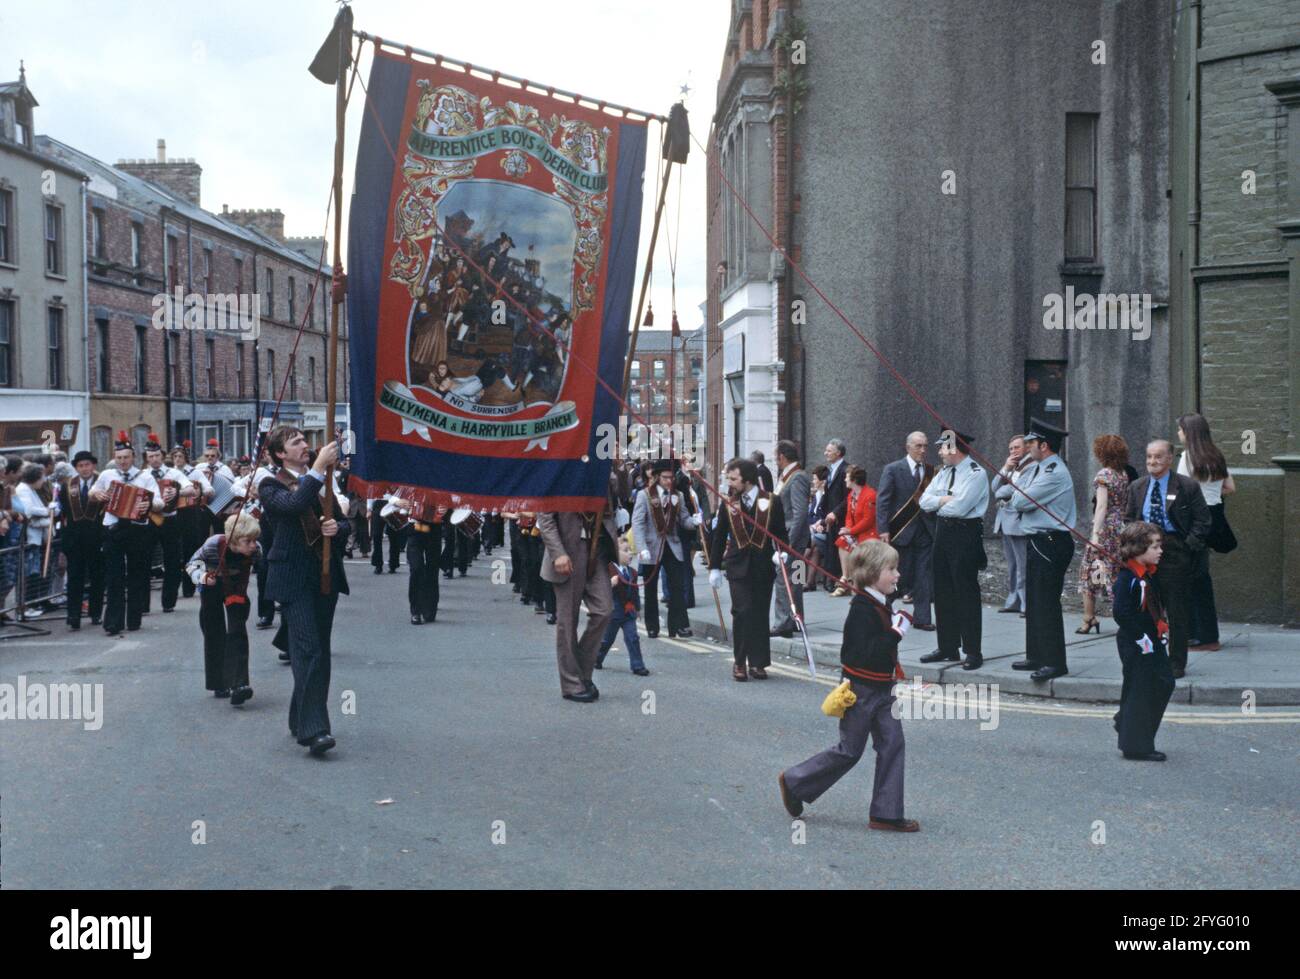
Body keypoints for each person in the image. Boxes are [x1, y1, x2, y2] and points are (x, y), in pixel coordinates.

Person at [778, 540, 919, 833]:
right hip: (861, 691)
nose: (897, 575)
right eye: (891, 569)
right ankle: (795, 781)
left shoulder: (880, 602)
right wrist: (895, 633)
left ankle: (886, 813)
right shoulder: (861, 609)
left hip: (883, 689)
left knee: (893, 744)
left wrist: (893, 626)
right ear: (871, 573)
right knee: (849, 751)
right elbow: (858, 654)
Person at [259, 428, 349, 756]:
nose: (304, 445)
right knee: (308, 649)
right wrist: (317, 470)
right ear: (280, 453)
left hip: (324, 576)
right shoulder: (270, 485)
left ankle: (300, 715)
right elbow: (293, 504)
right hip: (291, 579)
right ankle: (316, 730)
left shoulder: (322, 482)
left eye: (303, 440)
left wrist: (337, 528)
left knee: (317, 651)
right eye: (296, 442)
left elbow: (345, 522)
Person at [1123, 439, 1210, 680]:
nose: (1153, 461)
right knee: (1148, 610)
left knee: (1177, 611)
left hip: (1174, 552)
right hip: (1144, 554)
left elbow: (1203, 521)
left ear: (1170, 459)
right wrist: (1137, 550)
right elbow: (1129, 519)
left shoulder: (1187, 486)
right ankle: (1151, 657)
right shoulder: (1137, 486)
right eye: (1149, 456)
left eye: (1158, 457)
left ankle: (1176, 663)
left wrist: (1187, 547)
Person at [709, 457, 789, 681]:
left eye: (733, 478)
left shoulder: (772, 501)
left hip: (763, 567)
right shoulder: (728, 503)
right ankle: (739, 662)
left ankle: (758, 663)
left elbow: (781, 532)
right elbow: (718, 537)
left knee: (760, 614)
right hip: (737, 567)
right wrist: (714, 567)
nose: (729, 482)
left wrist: (782, 551)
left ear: (748, 479)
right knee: (742, 612)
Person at [1009, 419, 1077, 681]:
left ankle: (1055, 661)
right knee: (1035, 601)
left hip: (1051, 542)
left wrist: (1019, 496)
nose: (1027, 446)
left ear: (1044, 446)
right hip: (1038, 541)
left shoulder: (1053, 473)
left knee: (1046, 602)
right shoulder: (1039, 468)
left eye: (1031, 443)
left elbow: (1019, 500)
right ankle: (1036, 655)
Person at [918, 430, 990, 671]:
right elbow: (923, 501)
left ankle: (972, 651)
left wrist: (942, 502)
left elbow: (960, 507)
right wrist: (943, 500)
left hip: (965, 533)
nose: (939, 452)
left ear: (954, 449)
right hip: (943, 532)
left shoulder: (976, 474)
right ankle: (947, 646)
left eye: (942, 448)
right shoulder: (943, 473)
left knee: (966, 592)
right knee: (943, 590)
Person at [537, 495, 619, 703]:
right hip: (568, 551)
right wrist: (558, 553)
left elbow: (619, 496)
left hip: (597, 549)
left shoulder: (602, 469)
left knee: (604, 610)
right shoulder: (560, 468)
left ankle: (581, 673)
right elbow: (545, 516)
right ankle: (572, 684)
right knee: (568, 621)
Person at [1110, 521, 1175, 762]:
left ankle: (1127, 722)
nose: (1160, 551)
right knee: (1143, 688)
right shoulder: (1129, 579)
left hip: (1150, 638)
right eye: (1155, 546)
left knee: (1163, 682)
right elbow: (1121, 613)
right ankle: (1136, 745)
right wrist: (1142, 639)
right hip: (1138, 641)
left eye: (1160, 545)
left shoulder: (1145, 574)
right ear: (1138, 549)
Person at [90, 432, 164, 636]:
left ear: (133, 457)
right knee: (113, 576)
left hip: (137, 529)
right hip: (113, 529)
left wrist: (148, 503)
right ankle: (113, 622)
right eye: (119, 458)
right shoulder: (107, 475)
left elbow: (160, 502)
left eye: (126, 457)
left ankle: (133, 619)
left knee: (136, 574)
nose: (122, 461)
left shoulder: (145, 476)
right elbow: (92, 493)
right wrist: (97, 494)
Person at [187, 511, 262, 705]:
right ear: (233, 541)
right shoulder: (213, 545)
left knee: (237, 631)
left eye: (255, 540)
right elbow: (191, 565)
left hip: (236, 587)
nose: (253, 545)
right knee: (213, 631)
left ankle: (239, 685)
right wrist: (202, 578)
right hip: (212, 584)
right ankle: (219, 682)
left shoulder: (257, 551)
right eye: (248, 541)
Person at [1176, 413, 1234, 652]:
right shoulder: (1216, 456)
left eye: (1180, 429)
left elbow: (1180, 490)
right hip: (1213, 518)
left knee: (1191, 579)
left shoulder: (1187, 458)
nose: (1178, 434)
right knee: (1200, 577)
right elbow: (1230, 487)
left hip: (1194, 520)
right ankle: (1203, 635)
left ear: (1188, 432)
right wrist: (1211, 493)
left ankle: (1203, 637)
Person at [632, 460, 701, 639]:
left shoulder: (678, 495)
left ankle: (676, 626)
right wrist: (641, 548)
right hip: (651, 547)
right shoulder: (644, 495)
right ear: (656, 477)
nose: (669, 481)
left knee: (677, 587)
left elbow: (683, 519)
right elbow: (638, 523)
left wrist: (693, 522)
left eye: (671, 478)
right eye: (665, 478)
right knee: (651, 589)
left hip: (673, 545)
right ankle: (652, 626)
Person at [877, 431, 936, 630]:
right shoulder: (893, 469)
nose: (923, 450)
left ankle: (923, 618)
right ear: (908, 447)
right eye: (919, 446)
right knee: (898, 576)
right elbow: (883, 501)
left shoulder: (930, 471)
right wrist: (883, 529)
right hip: (901, 532)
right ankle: (883, 612)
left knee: (923, 577)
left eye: (925, 446)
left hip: (925, 532)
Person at [1078, 434, 1131, 634]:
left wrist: (1094, 536)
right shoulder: (1122, 474)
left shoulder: (1104, 475)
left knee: (1089, 572)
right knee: (1115, 572)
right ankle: (1122, 617)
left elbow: (1101, 507)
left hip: (1106, 528)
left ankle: (1089, 617)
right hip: (1120, 527)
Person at [143, 433, 194, 614]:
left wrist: (178, 492)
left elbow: (191, 489)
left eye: (157, 456)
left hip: (170, 519)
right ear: (146, 458)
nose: (154, 459)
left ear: (162, 456)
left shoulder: (173, 473)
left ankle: (168, 601)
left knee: (172, 560)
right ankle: (142, 604)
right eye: (150, 457)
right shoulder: (143, 475)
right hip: (148, 520)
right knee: (143, 560)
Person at [57, 451, 104, 630]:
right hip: (75, 539)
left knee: (97, 577)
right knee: (75, 577)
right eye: (81, 466)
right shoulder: (68, 486)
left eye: (88, 465)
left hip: (97, 537)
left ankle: (96, 612)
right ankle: (73, 615)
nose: (85, 469)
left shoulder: (103, 482)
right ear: (76, 468)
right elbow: (64, 514)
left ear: (93, 465)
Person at [771, 440, 811, 638]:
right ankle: (797, 620)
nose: (775, 460)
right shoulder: (786, 476)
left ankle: (783, 622)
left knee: (784, 580)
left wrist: (789, 545)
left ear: (782, 457)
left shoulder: (797, 478)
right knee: (796, 580)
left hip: (792, 541)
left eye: (776, 456)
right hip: (794, 540)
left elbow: (800, 514)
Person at [990, 435, 1032, 615]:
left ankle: (1025, 603)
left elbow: (1013, 490)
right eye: (1011, 449)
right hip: (1005, 521)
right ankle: (1013, 599)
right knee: (1013, 564)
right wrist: (1005, 468)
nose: (1013, 451)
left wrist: (1002, 491)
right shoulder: (1012, 468)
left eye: (1017, 447)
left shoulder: (1029, 467)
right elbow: (994, 487)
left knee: (1023, 566)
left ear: (1027, 448)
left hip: (1017, 521)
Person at [596, 538, 649, 676]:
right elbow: (599, 590)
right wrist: (610, 583)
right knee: (607, 639)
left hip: (628, 611)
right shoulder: (608, 569)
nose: (630, 553)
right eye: (626, 550)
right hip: (614, 612)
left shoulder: (632, 572)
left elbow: (635, 591)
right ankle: (596, 658)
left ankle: (638, 665)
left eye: (630, 550)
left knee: (633, 638)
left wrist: (637, 608)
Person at [830, 466, 878, 596]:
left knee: (846, 540)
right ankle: (846, 577)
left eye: (847, 476)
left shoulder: (870, 495)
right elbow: (848, 516)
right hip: (856, 532)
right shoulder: (851, 495)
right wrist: (847, 529)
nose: (845, 479)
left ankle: (848, 581)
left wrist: (850, 531)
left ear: (854, 479)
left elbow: (868, 521)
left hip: (869, 534)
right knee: (842, 540)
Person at [821, 439, 848, 590]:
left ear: (838, 453)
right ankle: (830, 580)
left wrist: (835, 513)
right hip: (829, 517)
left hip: (841, 518)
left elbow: (847, 497)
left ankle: (837, 581)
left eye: (829, 451)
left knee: (838, 549)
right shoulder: (829, 470)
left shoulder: (846, 470)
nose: (826, 453)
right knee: (830, 548)